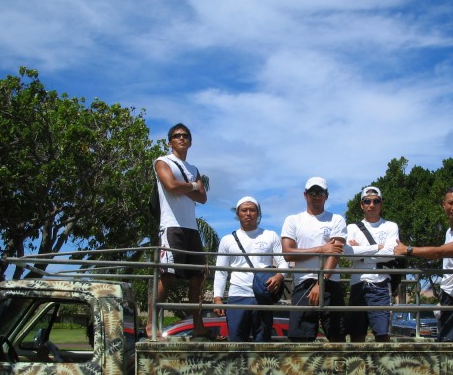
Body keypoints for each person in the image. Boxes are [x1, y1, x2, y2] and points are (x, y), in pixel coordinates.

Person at [393, 185, 453, 342]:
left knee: (450, 345)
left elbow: (439, 252)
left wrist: (407, 250)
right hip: (448, 295)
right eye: (450, 203)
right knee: (445, 343)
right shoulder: (450, 231)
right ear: (443, 204)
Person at [146, 123, 208, 339]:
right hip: (172, 226)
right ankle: (151, 324)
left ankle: (198, 325)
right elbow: (171, 186)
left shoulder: (193, 169)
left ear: (190, 141)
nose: (182, 138)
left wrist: (188, 188)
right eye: (177, 135)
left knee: (198, 278)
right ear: (169, 142)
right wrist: (192, 186)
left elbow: (203, 197)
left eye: (185, 136)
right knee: (169, 276)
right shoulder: (163, 161)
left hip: (192, 228)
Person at [212, 197, 288, 342]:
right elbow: (221, 271)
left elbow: (283, 262)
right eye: (244, 210)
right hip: (237, 296)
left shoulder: (270, 235)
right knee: (236, 343)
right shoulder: (227, 240)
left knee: (262, 343)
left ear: (258, 213)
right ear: (238, 213)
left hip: (262, 296)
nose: (248, 213)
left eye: (252, 210)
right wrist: (217, 298)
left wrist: (279, 276)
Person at [281, 177, 347, 342]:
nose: (316, 196)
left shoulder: (337, 219)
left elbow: (335, 254)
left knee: (337, 339)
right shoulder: (292, 220)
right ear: (305, 195)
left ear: (326, 196)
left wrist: (320, 283)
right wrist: (321, 249)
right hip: (302, 283)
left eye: (320, 192)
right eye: (312, 192)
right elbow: (288, 253)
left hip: (330, 283)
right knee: (300, 340)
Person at [345, 186, 400, 342]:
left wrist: (361, 254)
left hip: (380, 285)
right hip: (357, 284)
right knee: (356, 335)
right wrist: (376, 248)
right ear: (361, 205)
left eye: (376, 201)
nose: (371, 205)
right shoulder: (352, 227)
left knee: (382, 335)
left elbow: (391, 253)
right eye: (367, 201)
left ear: (381, 204)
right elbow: (348, 253)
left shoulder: (390, 226)